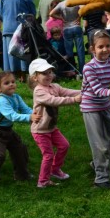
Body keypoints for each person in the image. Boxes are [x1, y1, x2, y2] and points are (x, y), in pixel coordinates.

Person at [0, 71, 40, 188]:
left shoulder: (16, 97)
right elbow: (12, 115)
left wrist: (36, 113)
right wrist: (30, 118)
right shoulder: (1, 101)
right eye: (7, 83)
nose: (11, 84)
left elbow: (25, 109)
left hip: (7, 130)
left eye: (13, 82)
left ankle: (22, 175)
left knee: (20, 149)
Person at [80, 30, 110, 189]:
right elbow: (97, 90)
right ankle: (101, 179)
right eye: (100, 47)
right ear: (92, 49)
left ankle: (97, 163)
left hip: (105, 105)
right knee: (101, 145)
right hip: (90, 107)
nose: (105, 49)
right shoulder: (88, 68)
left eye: (108, 46)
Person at [28, 58, 81, 188]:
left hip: (51, 128)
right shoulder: (39, 91)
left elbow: (68, 91)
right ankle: (43, 181)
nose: (49, 75)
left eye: (50, 72)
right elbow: (54, 101)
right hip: (40, 130)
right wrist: (74, 100)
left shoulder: (54, 86)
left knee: (64, 146)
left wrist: (84, 92)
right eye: (44, 73)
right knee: (48, 155)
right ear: (35, 77)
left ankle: (55, 169)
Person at [0, 0, 36, 81]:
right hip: (21, 28)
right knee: (22, 52)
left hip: (7, 27)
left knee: (10, 52)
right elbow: (32, 13)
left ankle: (12, 75)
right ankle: (23, 75)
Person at [49, 0, 86, 73]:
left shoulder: (61, 4)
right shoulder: (77, 1)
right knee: (80, 50)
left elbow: (51, 14)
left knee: (69, 52)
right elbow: (84, 9)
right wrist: (79, 18)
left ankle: (72, 69)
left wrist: (61, 18)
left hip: (67, 29)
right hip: (77, 27)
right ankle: (82, 70)